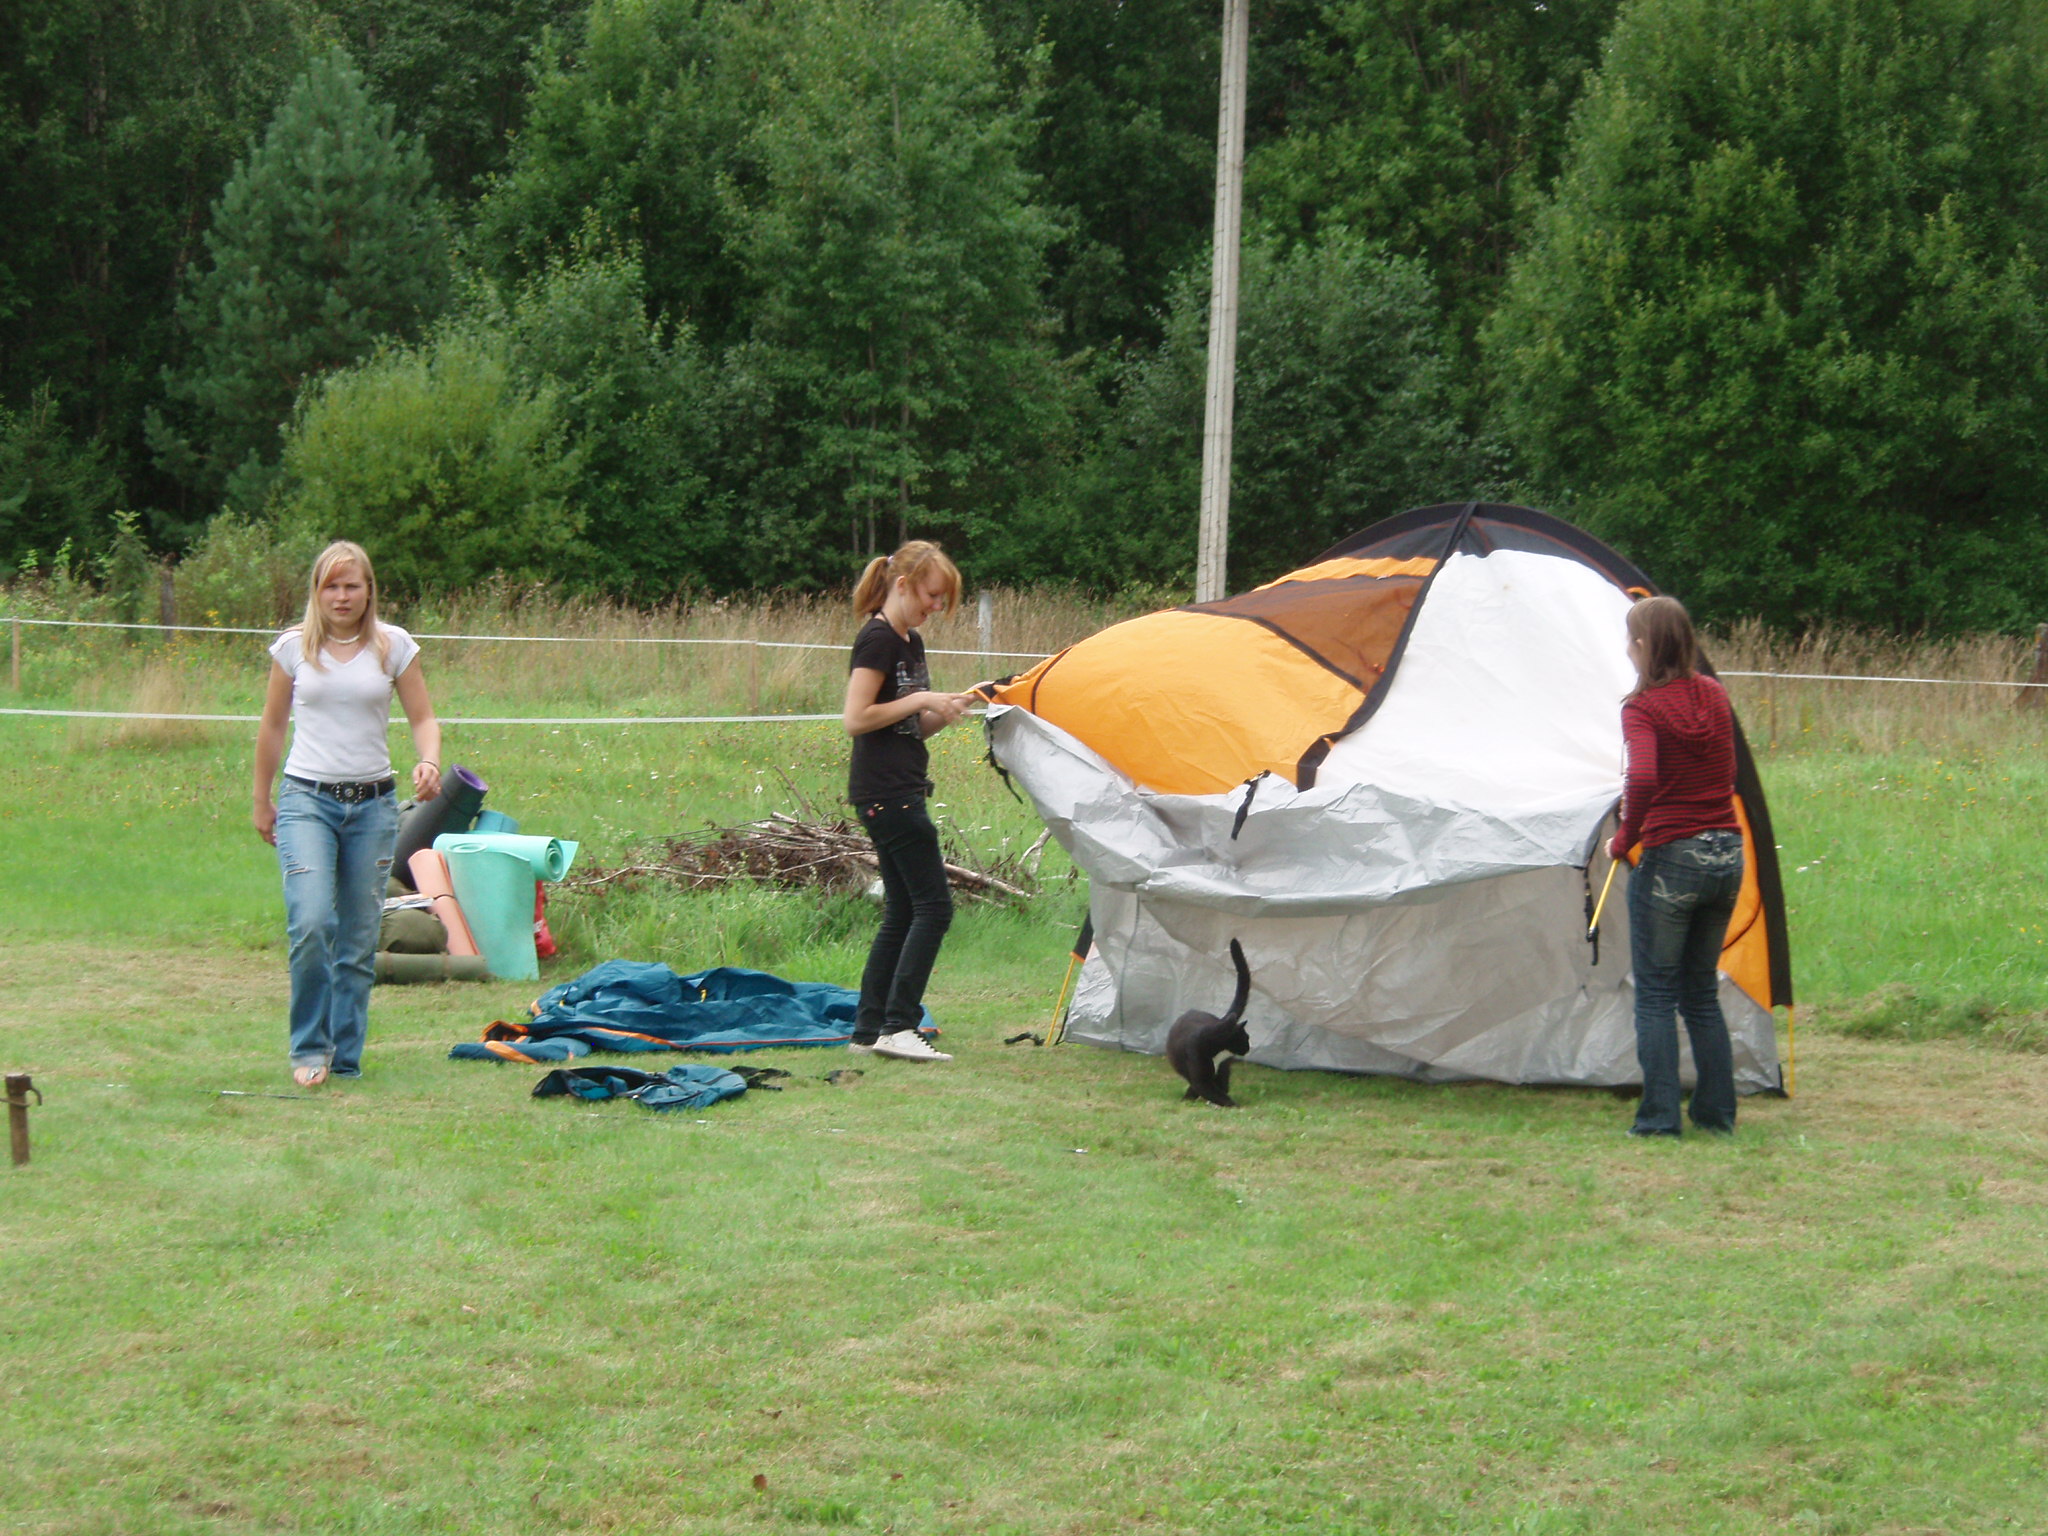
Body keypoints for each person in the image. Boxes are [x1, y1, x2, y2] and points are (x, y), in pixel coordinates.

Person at [253, 541, 441, 1088]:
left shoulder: (393, 646)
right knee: (312, 922)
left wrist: (429, 760)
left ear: (368, 591)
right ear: (316, 591)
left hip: (374, 808)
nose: (341, 596)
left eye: (351, 586)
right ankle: (309, 1048)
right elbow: (271, 728)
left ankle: (348, 1059)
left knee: (357, 940)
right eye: (331, 586)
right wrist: (261, 799)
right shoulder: (292, 649)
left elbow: (424, 719)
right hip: (305, 802)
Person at [1609, 594, 1744, 1137]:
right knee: (1701, 994)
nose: (1626, 648)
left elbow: (1641, 779)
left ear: (1645, 645)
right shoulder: (1713, 694)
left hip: (1673, 860)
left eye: (1630, 639)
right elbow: (1729, 774)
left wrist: (1625, 838)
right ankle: (1716, 1115)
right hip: (1727, 857)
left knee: (1658, 995)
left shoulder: (1641, 707)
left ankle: (1659, 1119)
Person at [841, 541, 976, 1062]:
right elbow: (856, 719)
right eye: (932, 594)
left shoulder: (910, 641)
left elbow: (910, 727)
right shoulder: (877, 639)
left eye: (942, 599)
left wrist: (950, 705)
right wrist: (922, 696)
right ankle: (900, 1024)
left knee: (901, 910)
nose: (936, 606)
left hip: (901, 785)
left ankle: (867, 1030)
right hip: (887, 794)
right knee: (934, 907)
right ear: (903, 585)